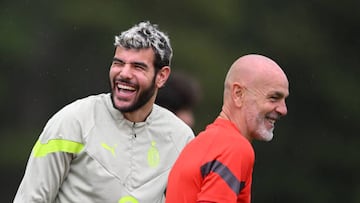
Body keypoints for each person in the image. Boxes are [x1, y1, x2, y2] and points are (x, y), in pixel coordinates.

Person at [14, 21, 195, 203]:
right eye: (118, 63)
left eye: (137, 67)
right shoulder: (73, 121)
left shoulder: (181, 138)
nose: (124, 73)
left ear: (161, 76)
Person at [165, 54, 289, 203]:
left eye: (284, 99)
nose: (283, 109)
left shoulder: (197, 144)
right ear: (238, 94)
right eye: (273, 98)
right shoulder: (235, 148)